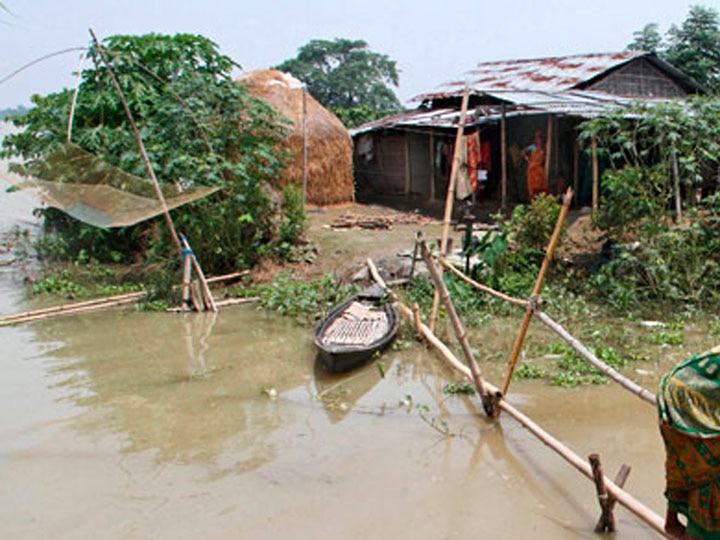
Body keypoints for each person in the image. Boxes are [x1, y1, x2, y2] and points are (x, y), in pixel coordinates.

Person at [657, 347, 720, 539]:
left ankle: (675, 522)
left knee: (691, 466)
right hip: (686, 399)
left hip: (681, 389)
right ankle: (694, 532)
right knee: (709, 471)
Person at [523, 130, 549, 201]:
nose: (538, 140)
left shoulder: (545, 148)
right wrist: (528, 159)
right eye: (537, 138)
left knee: (542, 187)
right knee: (532, 188)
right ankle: (534, 203)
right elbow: (523, 151)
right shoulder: (533, 147)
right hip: (532, 170)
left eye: (540, 138)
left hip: (539, 170)